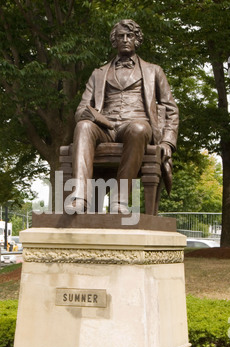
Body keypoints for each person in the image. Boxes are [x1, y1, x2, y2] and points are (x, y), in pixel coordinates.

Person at [65, 19, 179, 214]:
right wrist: (88, 114)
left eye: (130, 36)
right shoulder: (98, 73)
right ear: (114, 41)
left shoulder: (154, 71)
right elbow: (81, 109)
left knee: (139, 128)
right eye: (120, 36)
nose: (125, 39)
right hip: (105, 128)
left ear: (137, 40)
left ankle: (120, 201)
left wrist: (168, 142)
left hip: (136, 126)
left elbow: (171, 109)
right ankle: (80, 198)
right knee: (83, 126)